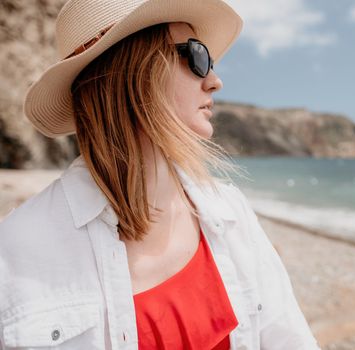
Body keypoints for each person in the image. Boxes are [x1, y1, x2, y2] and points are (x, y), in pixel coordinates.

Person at [0, 0, 321, 349]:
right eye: (198, 58)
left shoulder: (231, 215)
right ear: (132, 72)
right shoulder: (15, 251)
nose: (215, 81)